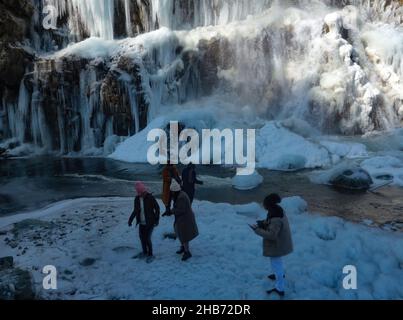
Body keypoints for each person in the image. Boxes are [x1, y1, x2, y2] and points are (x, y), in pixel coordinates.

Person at [252, 193, 293, 297]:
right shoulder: (277, 210)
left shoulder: (275, 217)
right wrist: (263, 223)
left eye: (264, 204)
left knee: (276, 263)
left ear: (268, 205)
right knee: (277, 262)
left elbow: (272, 235)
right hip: (281, 241)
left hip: (277, 244)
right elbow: (271, 223)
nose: (263, 205)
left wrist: (257, 230)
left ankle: (280, 288)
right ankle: (278, 274)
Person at [128, 181, 160, 263]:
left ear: (144, 190)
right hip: (141, 222)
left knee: (147, 238)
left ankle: (150, 254)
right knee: (142, 238)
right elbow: (135, 210)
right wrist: (130, 219)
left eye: (141, 192)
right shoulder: (137, 199)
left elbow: (157, 208)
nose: (140, 194)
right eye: (138, 192)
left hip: (150, 222)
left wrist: (156, 220)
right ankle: (145, 252)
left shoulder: (150, 198)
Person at [170, 179, 199, 261]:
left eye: (172, 191)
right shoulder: (180, 194)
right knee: (180, 233)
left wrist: (171, 211)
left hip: (185, 219)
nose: (171, 193)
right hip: (183, 218)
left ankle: (187, 252)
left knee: (184, 235)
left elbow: (181, 210)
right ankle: (183, 247)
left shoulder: (181, 197)